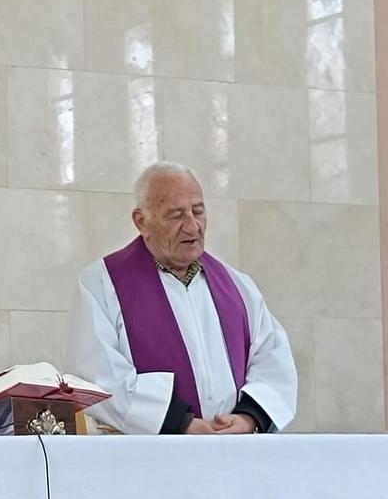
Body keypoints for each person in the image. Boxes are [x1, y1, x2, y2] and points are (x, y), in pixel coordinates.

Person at [67, 162, 297, 435]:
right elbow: (97, 377)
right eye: (176, 215)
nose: (192, 226)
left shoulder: (238, 286)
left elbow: (272, 358)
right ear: (142, 221)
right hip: (149, 458)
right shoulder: (102, 285)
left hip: (232, 450)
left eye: (198, 211)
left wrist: (249, 417)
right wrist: (179, 423)